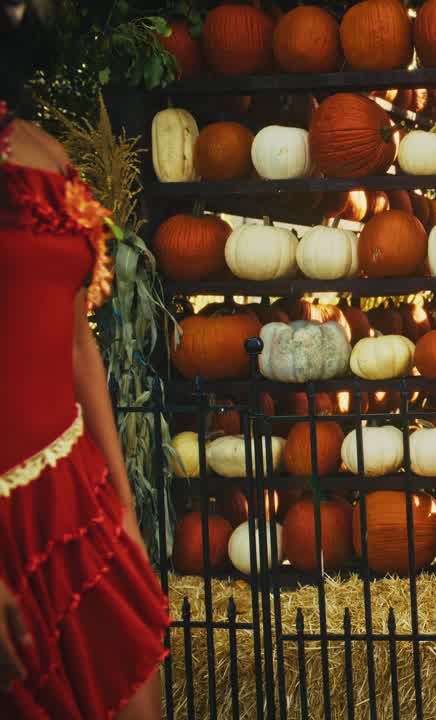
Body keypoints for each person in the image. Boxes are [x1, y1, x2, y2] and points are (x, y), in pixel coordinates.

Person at [0, 5, 169, 718]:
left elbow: (78, 347)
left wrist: (123, 508)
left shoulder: (44, 152)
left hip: (75, 490)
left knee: (136, 678)